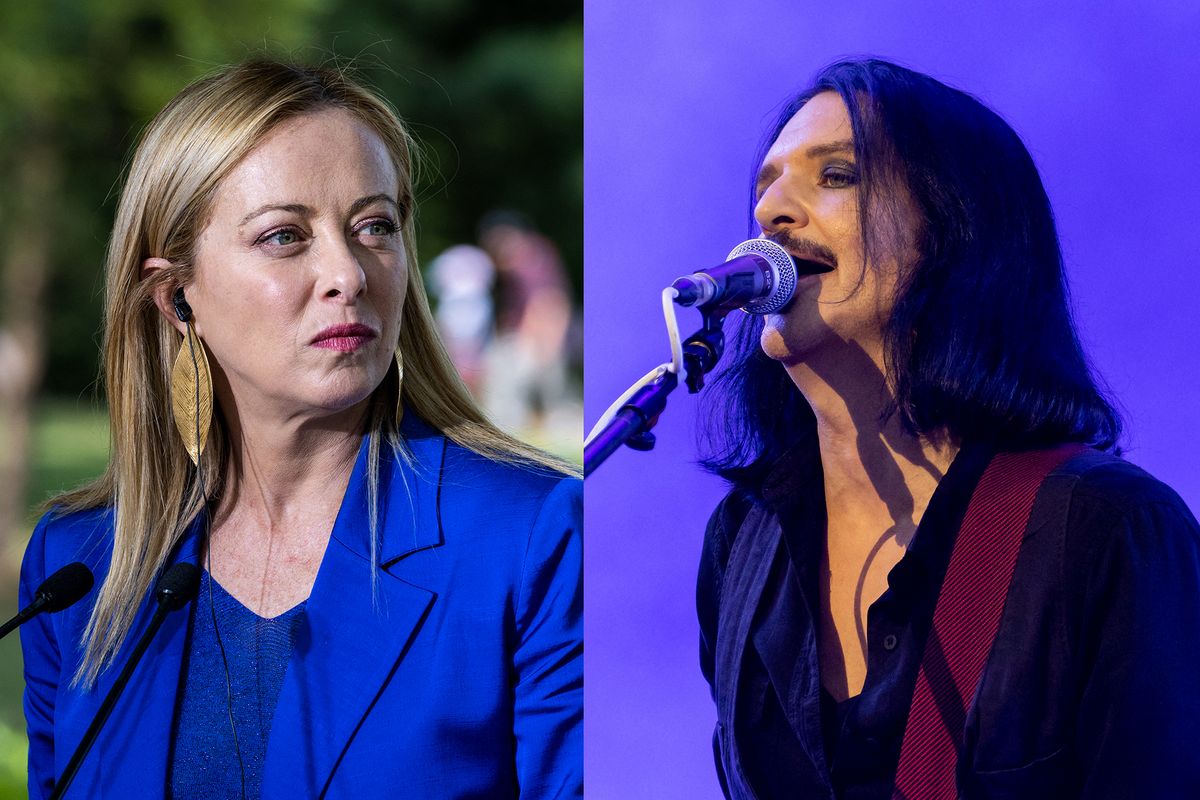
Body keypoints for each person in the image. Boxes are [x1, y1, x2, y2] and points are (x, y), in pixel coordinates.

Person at [19, 60, 582, 799]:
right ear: (174, 296)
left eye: (374, 226)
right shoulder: (76, 567)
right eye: (285, 236)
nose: (347, 272)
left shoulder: (534, 539)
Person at [696, 58, 1200, 799]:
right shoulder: (743, 539)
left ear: (955, 233)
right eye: (765, 186)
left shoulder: (1106, 529)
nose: (773, 211)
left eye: (836, 175)